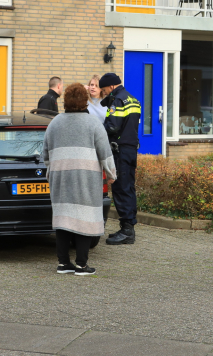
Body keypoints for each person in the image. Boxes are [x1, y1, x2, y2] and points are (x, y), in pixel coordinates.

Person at [43, 83, 116, 276]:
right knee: (85, 218)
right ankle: (81, 265)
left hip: (60, 178)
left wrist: (53, 169)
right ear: (85, 101)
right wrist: (111, 175)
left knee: (63, 219)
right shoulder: (93, 123)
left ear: (65, 101)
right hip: (86, 178)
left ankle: (63, 263)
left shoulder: (54, 123)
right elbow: (105, 153)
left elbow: (45, 155)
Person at [99, 72, 141, 245]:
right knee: (129, 188)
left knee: (121, 189)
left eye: (104, 90)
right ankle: (127, 227)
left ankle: (127, 231)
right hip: (130, 150)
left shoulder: (117, 101)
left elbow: (112, 127)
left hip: (120, 151)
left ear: (111, 86)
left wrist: (98, 130)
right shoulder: (133, 99)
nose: (104, 93)